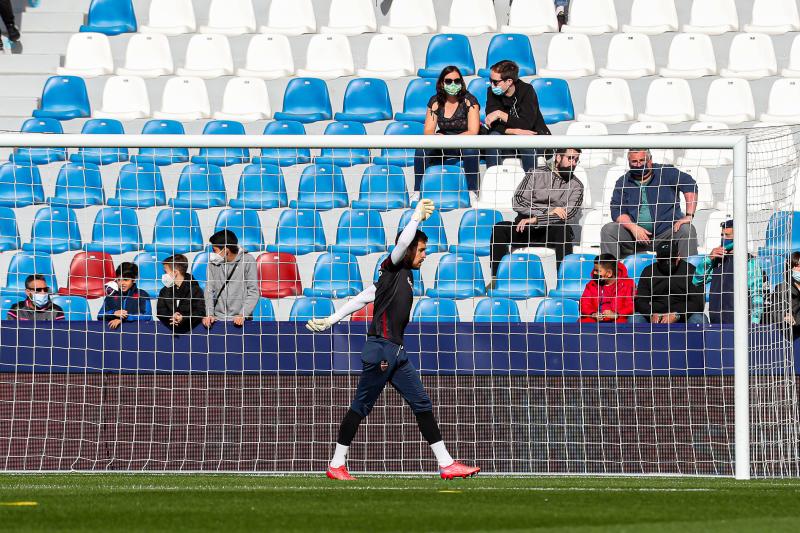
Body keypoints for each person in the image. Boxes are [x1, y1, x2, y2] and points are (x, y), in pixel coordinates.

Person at [305, 199, 480, 481]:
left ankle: (446, 463)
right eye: (421, 250)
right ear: (409, 249)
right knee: (361, 407)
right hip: (380, 351)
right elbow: (400, 247)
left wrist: (332, 318)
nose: (425, 255)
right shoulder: (393, 266)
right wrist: (415, 219)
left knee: (422, 403)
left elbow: (363, 297)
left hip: (397, 353)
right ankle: (336, 464)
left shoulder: (399, 277)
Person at [488, 147, 583, 278]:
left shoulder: (577, 186)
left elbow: (568, 213)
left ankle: (564, 280)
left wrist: (536, 219)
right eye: (570, 158)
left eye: (576, 159)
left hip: (550, 231)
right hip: (524, 227)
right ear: (558, 157)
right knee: (499, 228)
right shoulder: (535, 174)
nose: (573, 163)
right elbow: (518, 201)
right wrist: (548, 210)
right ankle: (496, 279)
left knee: (563, 229)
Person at [601, 149, 699, 261]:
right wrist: (633, 228)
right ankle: (611, 274)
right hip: (635, 236)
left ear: (650, 159)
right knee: (609, 230)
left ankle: (689, 274)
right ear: (629, 162)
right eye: (634, 162)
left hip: (667, 233)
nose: (638, 165)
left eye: (642, 160)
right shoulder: (623, 182)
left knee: (687, 229)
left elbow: (690, 184)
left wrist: (689, 215)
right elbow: (617, 210)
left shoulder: (666, 172)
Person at [413, 65, 480, 199]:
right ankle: (418, 190)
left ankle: (472, 191)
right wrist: (438, 137)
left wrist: (451, 140)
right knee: (421, 151)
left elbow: (473, 131)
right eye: (449, 81)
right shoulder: (435, 101)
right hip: (444, 141)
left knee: (471, 150)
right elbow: (428, 131)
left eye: (457, 81)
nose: (453, 84)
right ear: (442, 84)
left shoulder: (469, 101)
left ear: (461, 82)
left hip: (465, 141)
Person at [692, 219, 766, 325]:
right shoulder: (716, 259)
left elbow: (756, 295)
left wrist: (755, 322)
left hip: (741, 325)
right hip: (716, 322)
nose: (723, 238)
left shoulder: (749, 261)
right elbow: (697, 280)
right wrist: (708, 259)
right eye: (722, 235)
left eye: (728, 235)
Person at [483, 60, 551, 172]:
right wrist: (514, 131)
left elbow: (527, 124)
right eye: (490, 80)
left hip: (533, 137)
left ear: (509, 81)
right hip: (507, 138)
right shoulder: (491, 92)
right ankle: (493, 182)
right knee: (492, 140)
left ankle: (530, 185)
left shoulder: (527, 90)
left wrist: (500, 114)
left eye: (495, 82)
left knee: (525, 143)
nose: (491, 84)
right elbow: (492, 124)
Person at [632, 240, 706, 324]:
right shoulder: (649, 271)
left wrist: (677, 314)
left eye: (671, 259)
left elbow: (697, 302)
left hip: (682, 315)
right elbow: (640, 300)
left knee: (699, 319)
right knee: (635, 319)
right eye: (663, 260)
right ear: (657, 259)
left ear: (678, 256)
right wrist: (651, 314)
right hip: (655, 316)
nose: (667, 263)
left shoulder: (691, 271)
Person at [202, 229, 259, 328]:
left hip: (240, 320)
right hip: (217, 319)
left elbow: (253, 291)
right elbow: (209, 290)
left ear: (226, 250)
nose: (212, 254)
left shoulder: (248, 260)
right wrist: (209, 314)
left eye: (214, 250)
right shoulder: (212, 263)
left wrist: (243, 314)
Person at [579, 253, 635, 323]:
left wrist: (616, 314)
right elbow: (584, 303)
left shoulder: (627, 284)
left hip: (617, 319)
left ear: (609, 273)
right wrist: (593, 314)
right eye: (594, 270)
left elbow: (631, 306)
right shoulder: (592, 284)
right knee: (584, 322)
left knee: (622, 322)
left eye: (597, 271)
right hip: (596, 319)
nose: (594, 273)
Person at [156, 254, 205, 334]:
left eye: (165, 272)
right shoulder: (164, 290)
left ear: (175, 273)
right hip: (169, 330)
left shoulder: (195, 290)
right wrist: (172, 316)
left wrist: (183, 318)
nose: (164, 275)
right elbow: (160, 311)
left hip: (192, 332)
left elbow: (200, 312)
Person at [98, 262, 151, 329]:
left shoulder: (142, 294)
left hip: (137, 331)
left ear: (134, 279)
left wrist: (124, 318)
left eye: (126, 280)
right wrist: (113, 313)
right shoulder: (112, 294)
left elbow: (147, 316)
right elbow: (100, 315)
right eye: (119, 280)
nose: (121, 283)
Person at [766, 252, 800, 339]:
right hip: (791, 335)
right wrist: (785, 316)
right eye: (796, 266)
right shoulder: (782, 288)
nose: (799, 269)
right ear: (790, 268)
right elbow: (775, 311)